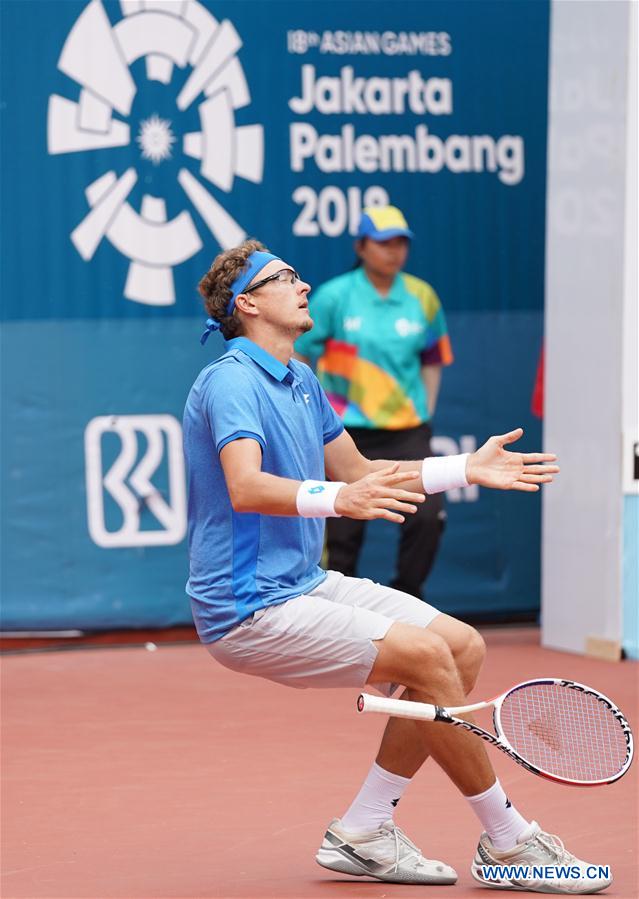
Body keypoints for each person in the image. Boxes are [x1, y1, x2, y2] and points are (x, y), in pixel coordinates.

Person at [183, 239, 610, 893]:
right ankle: (509, 840)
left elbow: (359, 472)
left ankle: (362, 829)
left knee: (459, 646)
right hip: (245, 606)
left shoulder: (300, 380)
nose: (302, 284)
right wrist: (335, 499)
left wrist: (461, 468)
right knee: (427, 660)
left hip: (303, 582)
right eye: (284, 277)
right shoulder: (229, 380)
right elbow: (245, 485)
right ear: (247, 303)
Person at [295, 205, 451, 599]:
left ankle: (409, 598)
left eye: (401, 243)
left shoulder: (422, 297)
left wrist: (424, 412)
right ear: (361, 247)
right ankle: (340, 608)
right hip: (346, 431)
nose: (394, 251)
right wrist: (304, 410)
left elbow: (433, 359)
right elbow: (299, 352)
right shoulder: (333, 297)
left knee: (428, 519)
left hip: (407, 433)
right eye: (384, 243)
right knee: (342, 527)